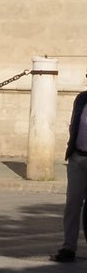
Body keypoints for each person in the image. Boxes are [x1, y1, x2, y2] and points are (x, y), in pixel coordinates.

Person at [52, 80, 87, 262]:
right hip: (77, 157)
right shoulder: (81, 98)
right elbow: (74, 124)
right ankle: (68, 247)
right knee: (72, 204)